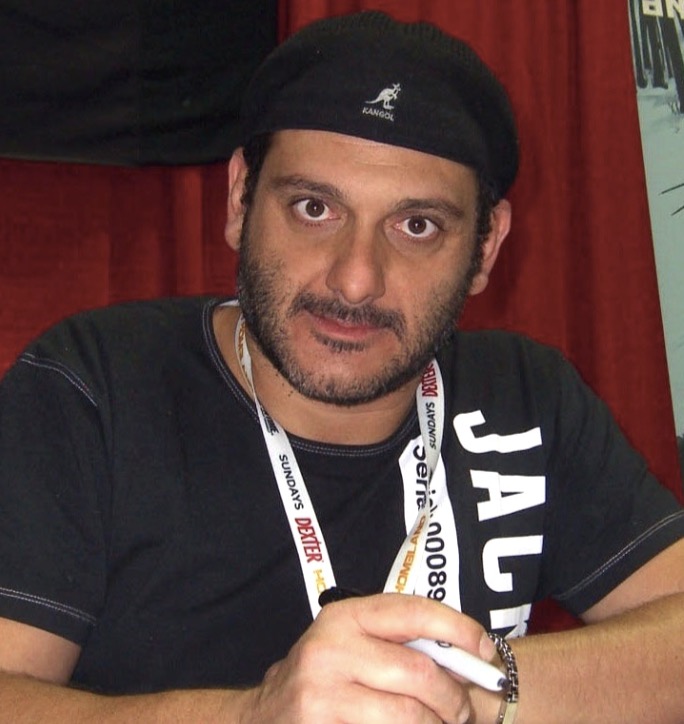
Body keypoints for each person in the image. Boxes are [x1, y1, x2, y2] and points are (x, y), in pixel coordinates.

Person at [0, 10, 683, 723]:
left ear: (485, 248)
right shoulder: (93, 390)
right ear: (239, 200)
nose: (356, 280)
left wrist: (467, 690)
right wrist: (252, 717)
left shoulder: (525, 398)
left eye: (416, 226)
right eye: (314, 208)